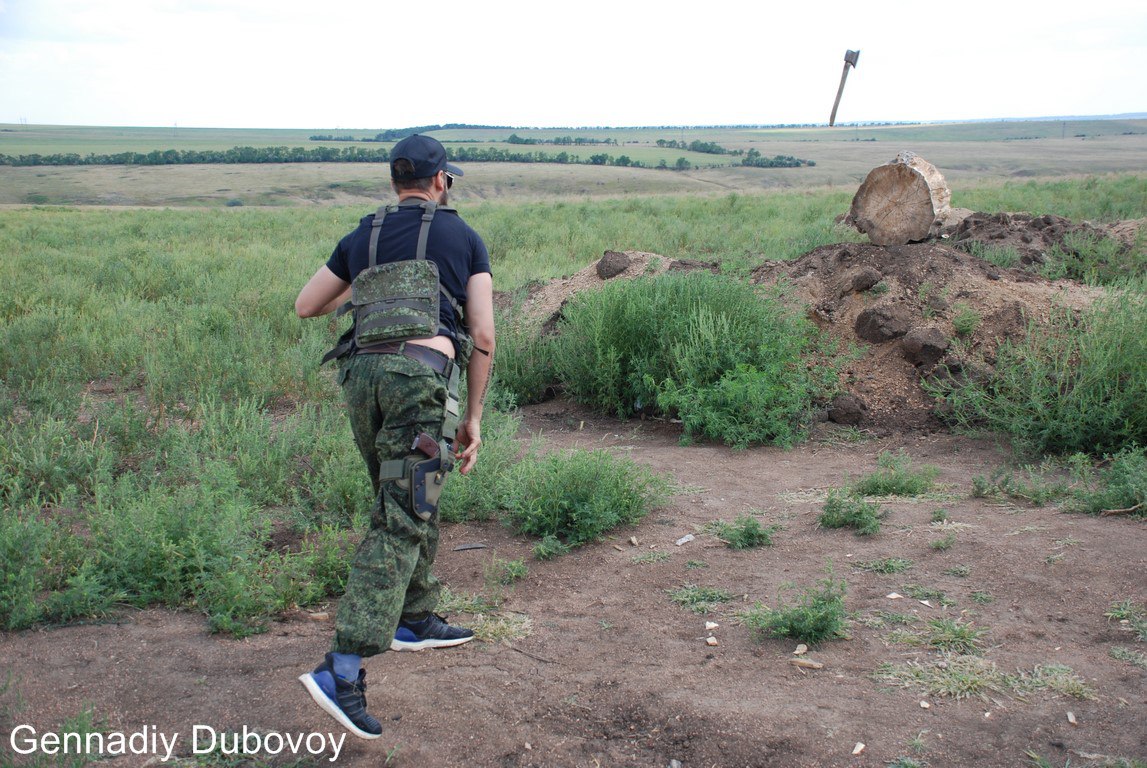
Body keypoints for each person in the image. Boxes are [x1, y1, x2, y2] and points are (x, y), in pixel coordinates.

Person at [293, 134, 495, 739]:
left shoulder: (363, 236)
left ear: (395, 182)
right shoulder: (464, 237)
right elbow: (482, 334)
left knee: (404, 496)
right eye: (447, 180)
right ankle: (343, 667)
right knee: (405, 511)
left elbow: (307, 305)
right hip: (418, 380)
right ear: (440, 182)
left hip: (362, 379)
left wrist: (376, 282)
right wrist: (474, 415)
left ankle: (413, 616)